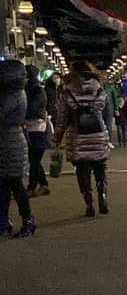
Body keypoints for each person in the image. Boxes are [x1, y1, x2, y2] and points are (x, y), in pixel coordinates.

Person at [57, 64, 111, 218]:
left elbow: (62, 119)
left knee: (82, 172)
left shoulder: (67, 93)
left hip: (78, 137)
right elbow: (107, 115)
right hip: (98, 135)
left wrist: (57, 139)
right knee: (100, 169)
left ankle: (89, 204)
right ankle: (103, 195)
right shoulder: (100, 91)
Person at [0, 61, 34, 237]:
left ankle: (27, 219)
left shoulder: (13, 95)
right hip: (9, 140)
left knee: (14, 184)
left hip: (11, 142)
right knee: (6, 185)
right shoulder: (14, 92)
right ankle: (4, 222)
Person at [25, 65, 51, 199]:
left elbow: (33, 108)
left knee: (34, 159)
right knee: (34, 159)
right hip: (33, 127)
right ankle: (43, 184)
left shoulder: (36, 90)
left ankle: (31, 187)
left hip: (37, 128)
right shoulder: (32, 90)